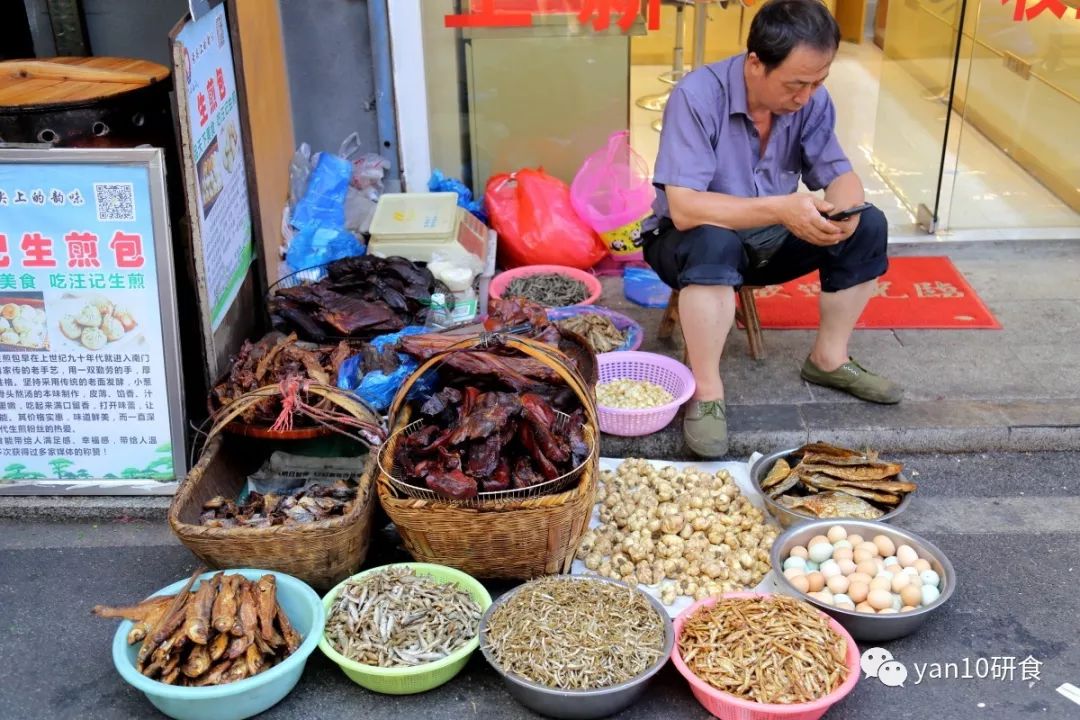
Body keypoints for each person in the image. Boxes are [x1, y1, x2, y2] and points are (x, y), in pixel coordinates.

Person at [643, 0, 902, 459]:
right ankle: (706, 392)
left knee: (868, 225)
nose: (806, 96)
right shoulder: (698, 96)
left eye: (818, 81)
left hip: (766, 237)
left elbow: (837, 173)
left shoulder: (812, 99)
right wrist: (783, 209)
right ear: (756, 62)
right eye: (796, 84)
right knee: (712, 240)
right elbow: (684, 208)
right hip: (686, 240)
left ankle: (829, 359)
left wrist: (846, 211)